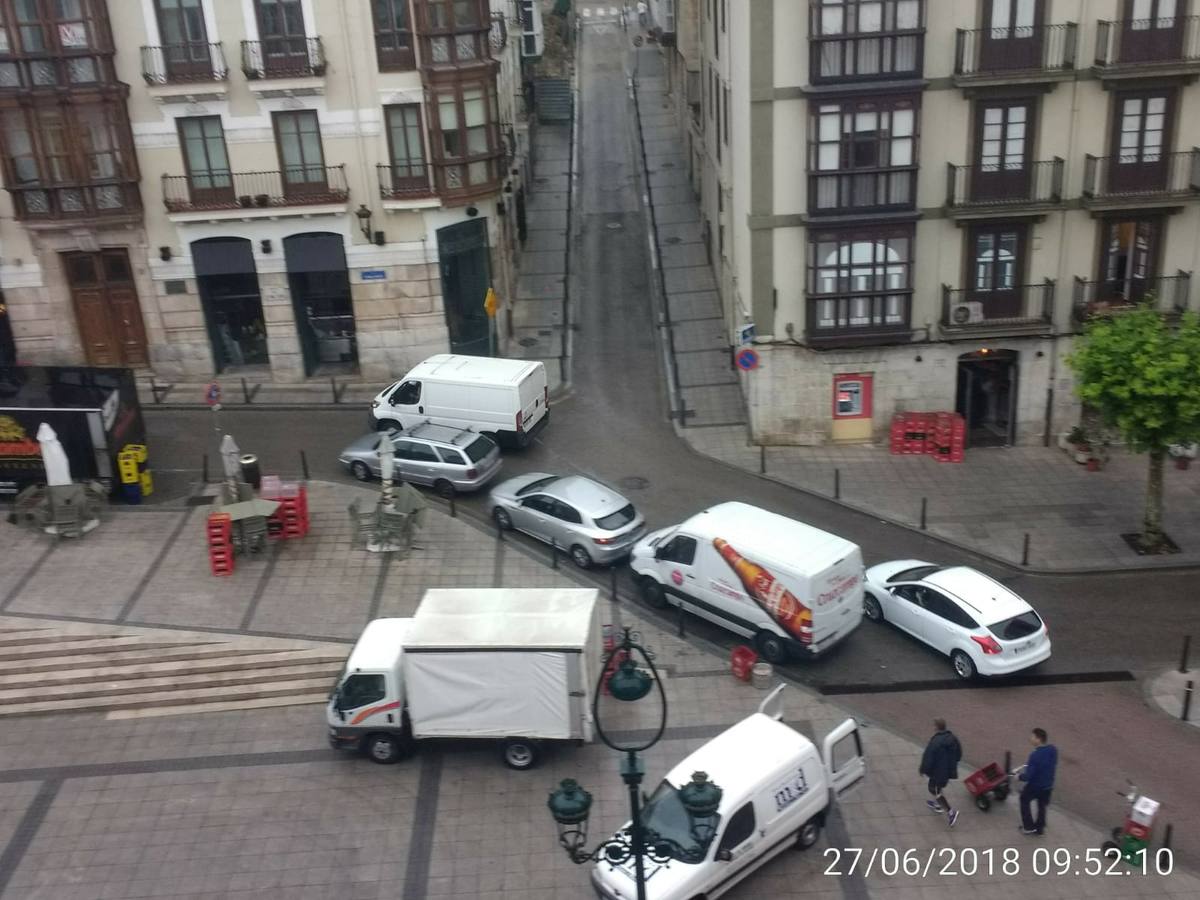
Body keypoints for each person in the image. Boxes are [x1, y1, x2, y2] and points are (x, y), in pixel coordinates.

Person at [919, 718, 962, 828]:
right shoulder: (953, 738)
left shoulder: (935, 742)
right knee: (937, 788)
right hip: (948, 770)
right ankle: (937, 804)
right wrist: (952, 763)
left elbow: (928, 757)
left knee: (934, 789)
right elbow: (959, 753)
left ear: (936, 727)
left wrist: (923, 769)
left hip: (938, 772)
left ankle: (950, 812)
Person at [1018, 727, 1057, 836]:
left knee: (1024, 799)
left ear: (1038, 739)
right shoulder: (1053, 749)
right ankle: (1040, 829)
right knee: (1042, 806)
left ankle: (1028, 827)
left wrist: (1019, 777)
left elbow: (1028, 776)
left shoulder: (1034, 756)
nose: (1030, 739)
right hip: (1048, 785)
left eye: (1032, 737)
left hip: (1036, 786)